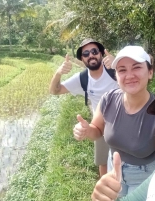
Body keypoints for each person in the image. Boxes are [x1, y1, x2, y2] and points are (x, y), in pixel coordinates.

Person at [73, 46, 155, 197]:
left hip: (144, 178)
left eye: (136, 67)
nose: (129, 75)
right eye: (122, 70)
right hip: (114, 169)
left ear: (150, 72)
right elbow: (97, 130)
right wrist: (86, 130)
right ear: (116, 76)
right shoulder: (108, 99)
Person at [49, 38, 118, 177]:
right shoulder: (82, 79)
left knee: (127, 162)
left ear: (101, 54)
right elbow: (54, 91)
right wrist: (58, 73)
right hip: (100, 126)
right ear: (82, 58)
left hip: (124, 123)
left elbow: (137, 77)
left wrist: (118, 63)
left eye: (94, 51)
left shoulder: (114, 71)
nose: (91, 55)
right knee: (103, 161)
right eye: (86, 54)